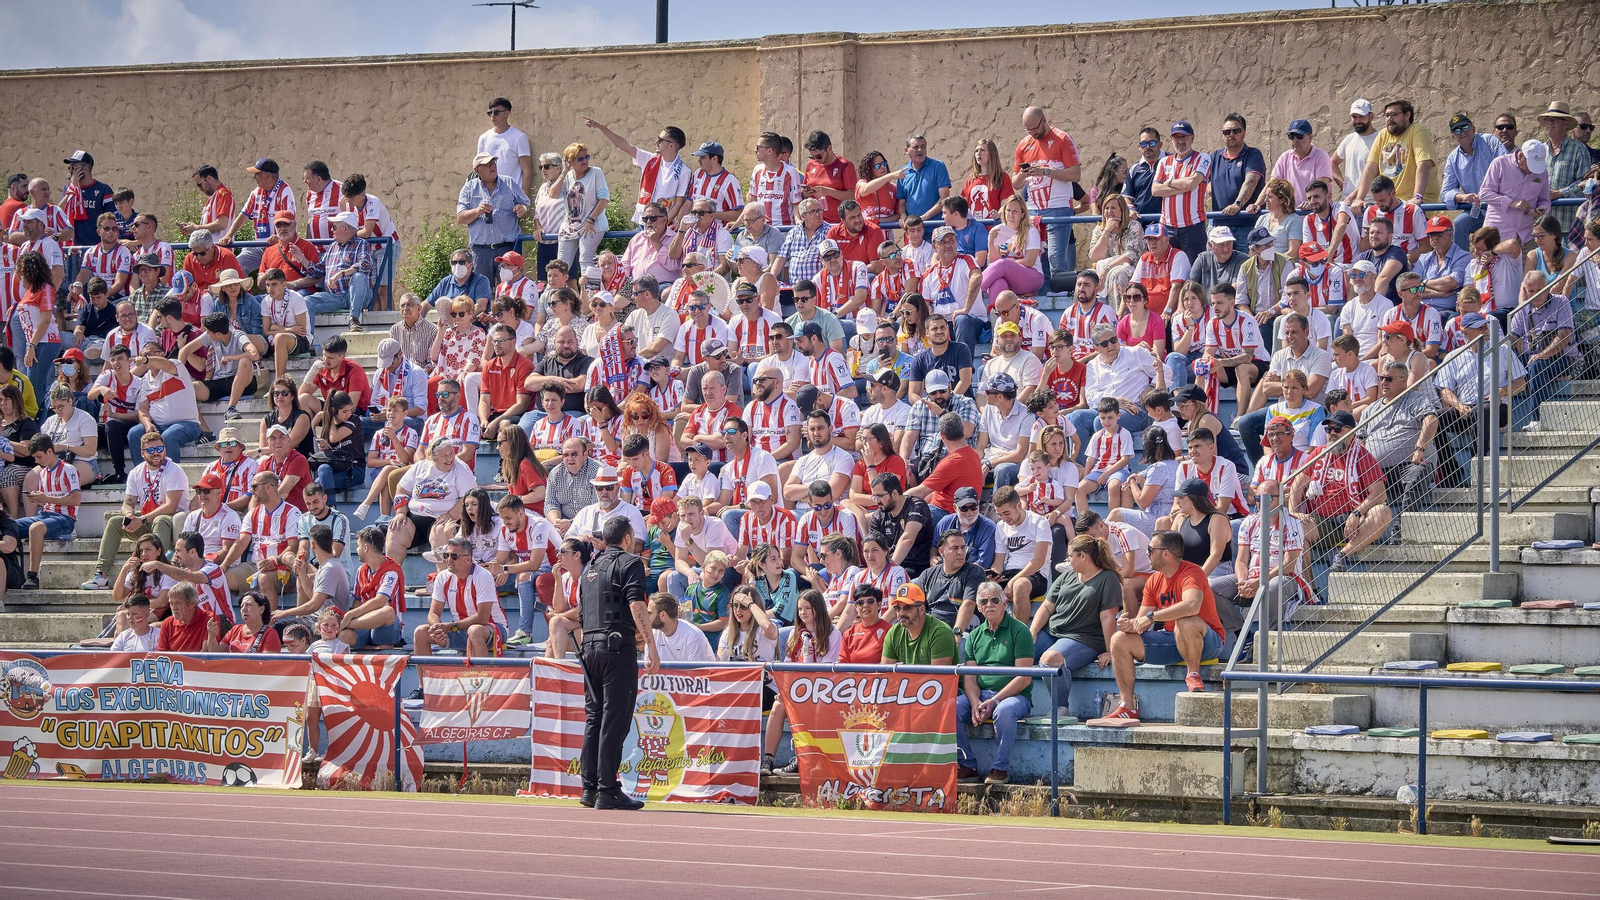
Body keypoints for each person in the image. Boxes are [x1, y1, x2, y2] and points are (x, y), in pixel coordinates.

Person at [1103, 530, 1227, 720]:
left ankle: (1193, 673)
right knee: (1119, 639)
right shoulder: (1154, 579)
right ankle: (1127, 706)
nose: (1147, 554)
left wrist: (1151, 618)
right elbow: (1141, 622)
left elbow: (1192, 605)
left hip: (1207, 640)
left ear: (1166, 553)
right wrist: (1128, 625)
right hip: (1173, 640)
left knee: (1185, 620)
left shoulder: (1193, 572)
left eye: (1151, 550)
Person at [576, 515, 656, 809]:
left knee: (594, 718)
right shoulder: (630, 562)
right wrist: (651, 646)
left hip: (590, 649)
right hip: (616, 648)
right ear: (626, 538)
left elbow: (582, 614)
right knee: (615, 720)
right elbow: (637, 604)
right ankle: (607, 789)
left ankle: (590, 787)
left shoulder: (589, 569)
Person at [81, 430, 186, 591]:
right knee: (115, 522)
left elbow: (171, 506)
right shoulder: (136, 472)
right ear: (143, 453)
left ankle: (157, 570)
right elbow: (127, 503)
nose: (156, 453)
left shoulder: (174, 470)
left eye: (160, 449)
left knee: (161, 519)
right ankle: (101, 574)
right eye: (151, 450)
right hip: (148, 521)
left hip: (173, 525)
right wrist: (129, 514)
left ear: (165, 449)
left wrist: (142, 519)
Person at [953, 580, 1035, 786]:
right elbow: (970, 677)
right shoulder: (973, 637)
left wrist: (995, 701)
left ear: (1004, 602)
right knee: (950, 707)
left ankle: (1000, 768)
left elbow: (1024, 677)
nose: (989, 604)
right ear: (979, 607)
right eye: (984, 601)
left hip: (1015, 697)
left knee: (1004, 711)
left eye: (994, 600)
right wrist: (974, 703)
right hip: (981, 695)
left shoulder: (1020, 630)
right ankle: (967, 765)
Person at [1030, 534, 1122, 718]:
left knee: (1049, 659)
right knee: (1016, 650)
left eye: (1071, 556)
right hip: (1052, 632)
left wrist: (1110, 650)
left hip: (1084, 639)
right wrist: (1031, 632)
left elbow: (1107, 617)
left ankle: (1060, 708)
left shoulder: (1108, 578)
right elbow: (1047, 606)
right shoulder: (1067, 576)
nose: (1068, 560)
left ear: (1083, 556)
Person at [1289, 410, 1391, 572]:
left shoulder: (1363, 456)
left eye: (1337, 429)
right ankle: (1310, 593)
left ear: (1351, 433)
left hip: (1356, 523)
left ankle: (1342, 554)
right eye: (1328, 430)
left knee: (1382, 512)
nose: (1332, 434)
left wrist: (1357, 513)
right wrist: (1294, 513)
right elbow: (1297, 484)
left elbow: (1379, 493)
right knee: (1294, 529)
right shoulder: (1319, 453)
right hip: (1323, 520)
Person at [1011, 106, 1082, 289]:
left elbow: (1075, 174)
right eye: (1029, 130)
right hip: (1033, 210)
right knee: (1035, 259)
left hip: (1058, 207)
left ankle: (1061, 301)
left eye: (1035, 128)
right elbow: (1016, 184)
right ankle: (1040, 299)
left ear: (1044, 120)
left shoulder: (1062, 139)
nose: (1033, 133)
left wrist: (1046, 172)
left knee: (1056, 260)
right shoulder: (1023, 144)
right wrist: (1024, 174)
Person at [413, 535, 509, 661]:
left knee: (474, 631)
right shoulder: (442, 577)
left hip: (493, 628)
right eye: (446, 556)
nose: (449, 560)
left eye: (454, 556)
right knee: (420, 631)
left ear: (468, 559)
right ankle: (425, 680)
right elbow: (434, 612)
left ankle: (481, 679)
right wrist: (437, 628)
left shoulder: (483, 576)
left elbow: (482, 617)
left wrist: (450, 627)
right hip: (459, 629)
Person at [1508, 270, 1578, 431]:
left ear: (1547, 288)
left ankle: (1536, 420)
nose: (1535, 295)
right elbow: (1513, 337)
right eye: (1531, 291)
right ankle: (1498, 422)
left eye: (1539, 290)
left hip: (1564, 358)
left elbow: (1564, 336)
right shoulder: (1522, 309)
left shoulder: (1561, 302)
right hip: (1533, 357)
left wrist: (1543, 355)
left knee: (1536, 366)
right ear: (1526, 291)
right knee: (1502, 364)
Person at [1348, 99, 1440, 211]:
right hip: (1390, 204)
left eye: (1394, 115)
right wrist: (1359, 198)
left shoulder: (1417, 130)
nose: (1389, 119)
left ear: (1407, 115)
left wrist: (1417, 196)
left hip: (1413, 205)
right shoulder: (1383, 135)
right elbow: (1370, 169)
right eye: (1386, 115)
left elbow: (1424, 164)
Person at [458, 153, 531, 288]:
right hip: (481, 252)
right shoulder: (469, 188)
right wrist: (477, 211)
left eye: (493, 163)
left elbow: (526, 204)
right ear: (477, 170)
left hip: (507, 248)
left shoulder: (509, 183)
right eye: (487, 164)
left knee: (511, 290)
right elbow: (460, 217)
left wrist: (522, 208)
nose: (492, 166)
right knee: (481, 293)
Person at [14, 435, 79, 588]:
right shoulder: (43, 473)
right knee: (8, 525)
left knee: (35, 528)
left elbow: (75, 499)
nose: (37, 461)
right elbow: (47, 500)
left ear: (50, 451)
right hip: (45, 515)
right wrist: (39, 499)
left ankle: (32, 576)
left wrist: (46, 497)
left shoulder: (68, 469)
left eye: (39, 457)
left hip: (65, 518)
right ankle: (12, 574)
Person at [1150, 120, 1212, 262]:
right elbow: (1155, 190)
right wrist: (1183, 188)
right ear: (1171, 139)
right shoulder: (1164, 161)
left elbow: (1192, 182)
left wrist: (1169, 182)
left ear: (1192, 137)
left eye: (1183, 137)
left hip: (1192, 227)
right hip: (1168, 227)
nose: (1180, 141)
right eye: (1176, 137)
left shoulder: (1202, 158)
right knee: (1168, 270)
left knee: (1194, 273)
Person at [989, 485, 1053, 622]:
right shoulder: (1001, 527)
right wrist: (992, 575)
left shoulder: (1039, 522)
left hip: (1035, 575)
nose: (1003, 518)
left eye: (1006, 513)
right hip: (1010, 572)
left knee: (1019, 585)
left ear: (1018, 505)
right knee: (984, 587)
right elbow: (998, 563)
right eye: (999, 514)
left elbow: (1038, 561)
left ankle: (1018, 636)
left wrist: (1012, 582)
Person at [880, 582, 956, 666]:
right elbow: (886, 674)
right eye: (897, 608)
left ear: (921, 609)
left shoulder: (940, 632)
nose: (901, 613)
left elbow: (938, 676)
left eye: (907, 607)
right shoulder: (893, 632)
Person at [479, 97, 534, 189]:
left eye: (496, 112)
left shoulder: (519, 137)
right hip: (489, 194)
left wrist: (524, 199)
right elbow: (480, 168)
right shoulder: (484, 138)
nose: (493, 115)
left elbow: (527, 171)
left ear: (507, 113)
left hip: (512, 194)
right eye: (490, 113)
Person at [648, 592, 715, 662]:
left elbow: (697, 672)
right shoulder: (652, 635)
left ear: (663, 615)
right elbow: (648, 670)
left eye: (649, 613)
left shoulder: (693, 636)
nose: (646, 617)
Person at [155, 582, 220, 653]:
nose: (173, 608)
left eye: (178, 603)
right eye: (171, 603)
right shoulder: (167, 623)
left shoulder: (209, 618)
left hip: (197, 663)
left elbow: (206, 651)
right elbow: (162, 655)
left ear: (192, 604)